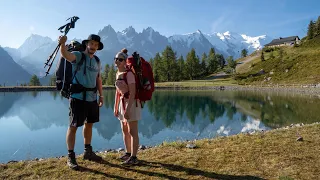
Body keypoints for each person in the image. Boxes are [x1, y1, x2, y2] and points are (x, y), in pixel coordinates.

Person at [58, 34, 104, 170]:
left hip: (92, 98)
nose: (93, 47)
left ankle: (87, 152)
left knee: (89, 124)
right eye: (91, 44)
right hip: (77, 98)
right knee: (73, 127)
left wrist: (101, 96)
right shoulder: (78, 55)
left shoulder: (97, 61)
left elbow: (98, 79)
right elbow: (66, 55)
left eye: (96, 45)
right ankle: (71, 157)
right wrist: (62, 45)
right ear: (86, 44)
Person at [114, 48, 141, 165]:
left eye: (120, 59)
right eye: (116, 59)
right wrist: (116, 107)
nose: (117, 61)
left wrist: (128, 109)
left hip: (131, 104)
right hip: (122, 104)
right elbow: (118, 92)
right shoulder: (118, 73)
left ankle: (134, 158)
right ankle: (128, 153)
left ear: (125, 61)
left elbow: (133, 93)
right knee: (124, 130)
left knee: (132, 131)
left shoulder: (129, 74)